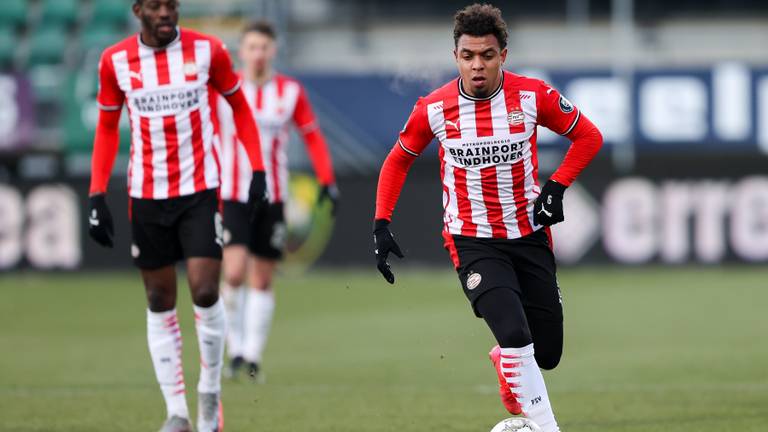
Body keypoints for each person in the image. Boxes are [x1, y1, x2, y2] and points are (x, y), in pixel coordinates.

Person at [372, 4, 602, 431]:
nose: (477, 65)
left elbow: (589, 136)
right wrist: (381, 223)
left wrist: (556, 186)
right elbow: (397, 160)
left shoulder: (532, 96)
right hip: (472, 240)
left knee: (547, 353)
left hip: (529, 235)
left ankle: (505, 363)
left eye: (487, 55)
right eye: (468, 56)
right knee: (515, 334)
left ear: (503, 56)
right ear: (456, 57)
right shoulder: (434, 108)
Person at [86, 1, 268, 431]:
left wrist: (257, 168)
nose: (166, 13)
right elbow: (107, 127)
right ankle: (177, 412)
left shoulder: (209, 51)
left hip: (199, 190)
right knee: (158, 299)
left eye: (172, 5)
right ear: (139, 10)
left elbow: (240, 107)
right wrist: (96, 194)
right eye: (156, 6)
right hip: (146, 195)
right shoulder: (115, 61)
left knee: (204, 290)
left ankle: (209, 396)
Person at [216, 21, 338, 380]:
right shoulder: (223, 89)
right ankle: (235, 349)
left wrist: (327, 180)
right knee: (233, 271)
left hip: (273, 197)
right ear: (242, 51)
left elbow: (312, 135)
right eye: (252, 47)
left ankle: (252, 355)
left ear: (273, 50)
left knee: (262, 277)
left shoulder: (289, 92)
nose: (258, 54)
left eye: (264, 47)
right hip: (232, 193)